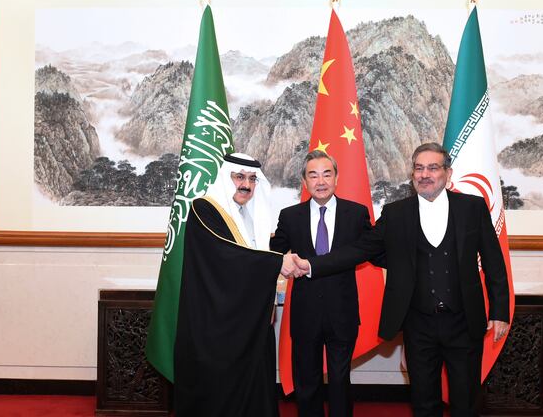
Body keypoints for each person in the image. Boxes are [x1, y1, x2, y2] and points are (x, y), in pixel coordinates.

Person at [292, 143, 510, 417]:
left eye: (433, 167)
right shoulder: (396, 213)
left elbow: (493, 261)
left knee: (466, 403)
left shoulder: (472, 207)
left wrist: (500, 310)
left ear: (448, 173)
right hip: (418, 325)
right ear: (412, 174)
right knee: (423, 402)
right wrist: (312, 264)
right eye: (418, 168)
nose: (425, 174)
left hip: (465, 322)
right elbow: (360, 249)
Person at [173, 153, 294, 417]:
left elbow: (251, 261)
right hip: (215, 325)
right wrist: (277, 263)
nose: (246, 185)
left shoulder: (253, 217)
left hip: (251, 320)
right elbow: (225, 255)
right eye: (239, 177)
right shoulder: (203, 209)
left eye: (252, 179)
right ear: (226, 178)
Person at [271, 150, 373, 417]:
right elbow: (274, 255)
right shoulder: (289, 216)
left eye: (327, 174)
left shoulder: (357, 213)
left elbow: (371, 250)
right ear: (304, 182)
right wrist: (282, 260)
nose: (321, 181)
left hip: (343, 313)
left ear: (337, 178)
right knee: (307, 383)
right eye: (313, 175)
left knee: (340, 382)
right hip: (305, 314)